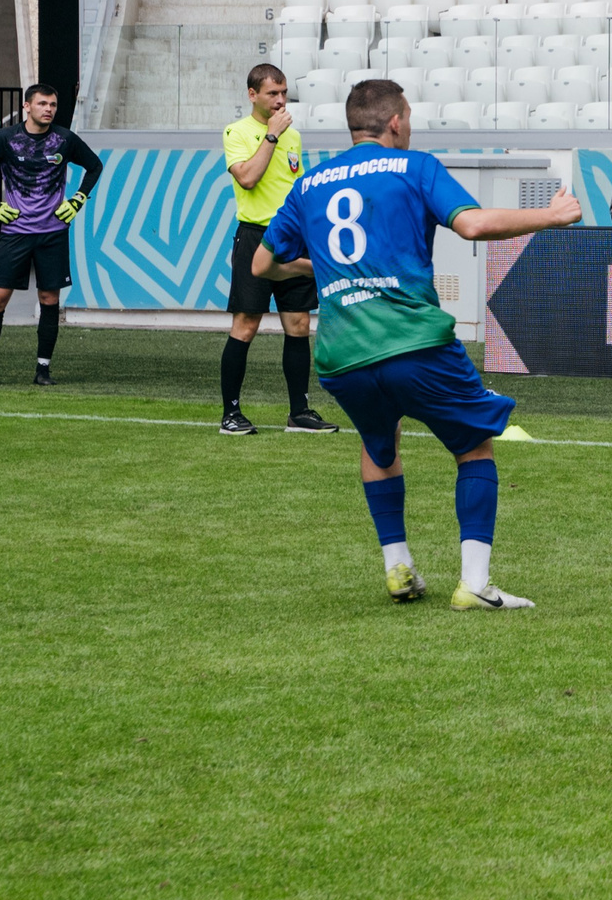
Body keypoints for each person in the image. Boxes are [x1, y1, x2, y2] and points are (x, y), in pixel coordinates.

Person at [254, 79, 581, 610]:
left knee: (379, 444)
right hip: (412, 343)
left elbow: (262, 265)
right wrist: (550, 214)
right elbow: (471, 225)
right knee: (473, 445)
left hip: (341, 355)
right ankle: (475, 584)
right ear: (397, 122)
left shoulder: (309, 183)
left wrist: (323, 266)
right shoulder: (415, 167)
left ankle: (398, 567)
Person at [0, 84, 103, 389]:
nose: (48, 109)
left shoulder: (64, 139)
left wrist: (78, 199)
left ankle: (43, 370)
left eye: (52, 104)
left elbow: (94, 166)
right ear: (27, 107)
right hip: (15, 234)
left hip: (52, 234)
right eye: (42, 104)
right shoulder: (5, 139)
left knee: (50, 300)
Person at [219, 63, 333, 437]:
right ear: (253, 95)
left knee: (298, 324)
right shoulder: (237, 132)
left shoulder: (293, 136)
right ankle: (230, 414)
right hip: (255, 237)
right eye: (272, 93)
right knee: (246, 324)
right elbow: (248, 179)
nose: (281, 100)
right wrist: (270, 136)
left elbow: (296, 189)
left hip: (293, 237)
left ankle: (298, 413)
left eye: (284, 93)